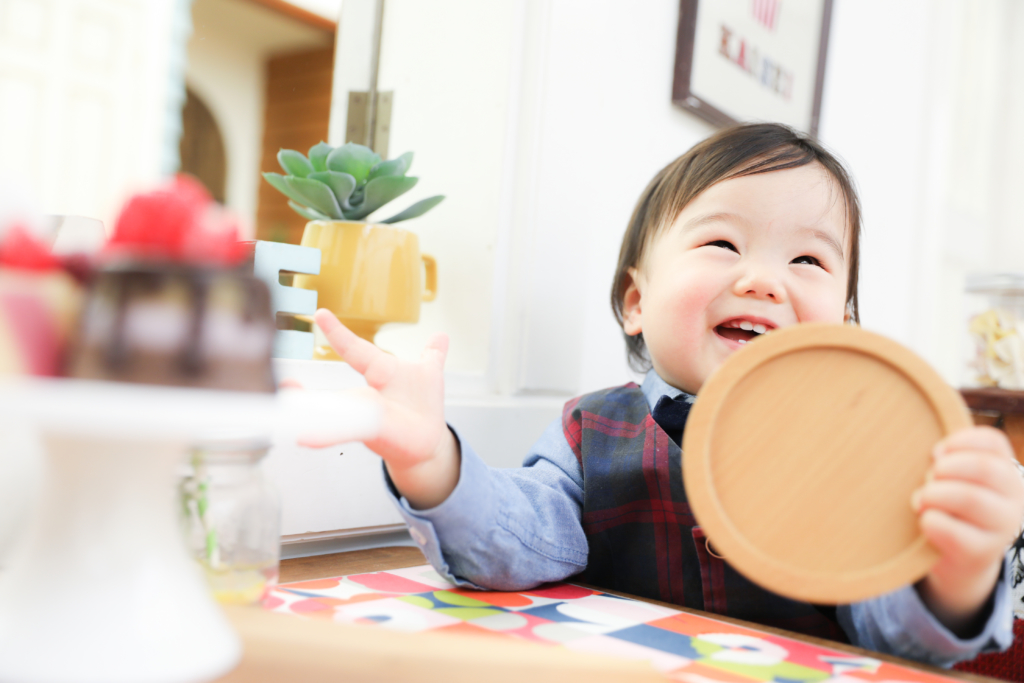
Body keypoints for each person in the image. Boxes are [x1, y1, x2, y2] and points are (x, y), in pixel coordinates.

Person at [309, 123, 1024, 666]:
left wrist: (955, 572)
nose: (763, 280)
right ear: (636, 302)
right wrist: (430, 458)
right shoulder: (591, 431)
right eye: (721, 244)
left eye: (808, 259)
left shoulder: (858, 461)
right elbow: (512, 547)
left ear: (844, 323)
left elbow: (895, 632)